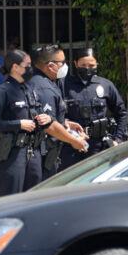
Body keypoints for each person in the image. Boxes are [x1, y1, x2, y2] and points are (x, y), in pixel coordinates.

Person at [0, 50, 83, 195]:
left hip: (34, 153)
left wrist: (49, 119)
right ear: (15, 67)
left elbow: (37, 115)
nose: (31, 69)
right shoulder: (3, 90)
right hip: (13, 154)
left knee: (34, 196)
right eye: (27, 65)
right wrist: (18, 124)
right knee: (13, 198)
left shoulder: (29, 89)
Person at [60, 48, 128, 169]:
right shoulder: (63, 85)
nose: (87, 68)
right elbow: (57, 115)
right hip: (71, 145)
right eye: (83, 65)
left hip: (99, 145)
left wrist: (118, 139)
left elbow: (121, 113)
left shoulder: (106, 85)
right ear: (75, 64)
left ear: (97, 64)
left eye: (91, 65)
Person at [29, 44, 89, 176]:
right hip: (43, 155)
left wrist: (65, 123)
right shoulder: (44, 88)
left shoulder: (44, 82)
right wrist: (75, 141)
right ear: (50, 66)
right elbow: (49, 125)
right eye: (62, 62)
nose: (65, 66)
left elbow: (48, 116)